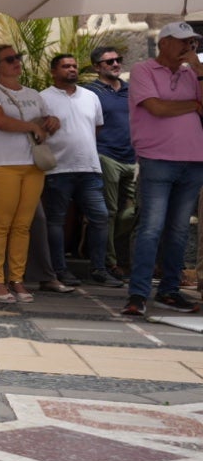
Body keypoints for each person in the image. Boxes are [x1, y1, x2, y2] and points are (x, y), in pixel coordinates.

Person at [119, 22, 203, 319]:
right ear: (164, 42)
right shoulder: (143, 70)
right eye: (182, 41)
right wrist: (193, 104)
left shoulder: (193, 73)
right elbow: (157, 108)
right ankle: (138, 293)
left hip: (194, 160)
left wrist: (199, 71)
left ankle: (169, 291)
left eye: (192, 42)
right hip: (157, 158)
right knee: (151, 228)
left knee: (178, 231)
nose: (188, 47)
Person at [0, 43, 58, 305]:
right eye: (9, 59)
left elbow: (45, 124)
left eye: (17, 57)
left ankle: (17, 279)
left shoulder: (33, 94)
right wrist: (31, 127)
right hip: (0, 165)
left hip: (32, 165)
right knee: (0, 224)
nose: (16, 62)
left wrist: (52, 122)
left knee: (23, 226)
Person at [39, 53, 110, 293]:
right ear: (53, 72)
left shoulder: (91, 97)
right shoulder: (42, 98)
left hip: (89, 168)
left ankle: (99, 269)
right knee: (56, 221)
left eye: (74, 66)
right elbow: (35, 133)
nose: (72, 69)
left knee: (100, 217)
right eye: (65, 66)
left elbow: (96, 128)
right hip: (57, 169)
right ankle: (59, 270)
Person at [84, 44, 134, 283]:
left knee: (136, 210)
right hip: (106, 155)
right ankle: (110, 262)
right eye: (109, 61)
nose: (116, 64)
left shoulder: (130, 90)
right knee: (110, 211)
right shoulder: (90, 92)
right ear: (97, 67)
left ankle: (104, 244)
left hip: (133, 157)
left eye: (118, 60)